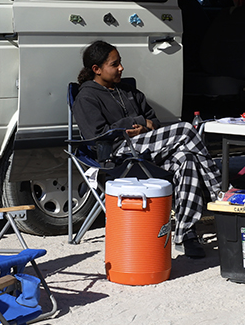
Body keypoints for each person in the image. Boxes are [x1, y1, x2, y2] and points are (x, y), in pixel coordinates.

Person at [72, 41, 221, 259]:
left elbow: (154, 122)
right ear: (96, 69)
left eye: (120, 62)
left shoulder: (129, 91)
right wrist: (135, 122)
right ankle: (219, 190)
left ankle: (186, 232)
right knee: (187, 129)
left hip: (147, 151)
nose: (121, 68)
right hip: (117, 156)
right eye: (115, 64)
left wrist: (143, 126)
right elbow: (98, 136)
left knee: (186, 158)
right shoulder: (87, 97)